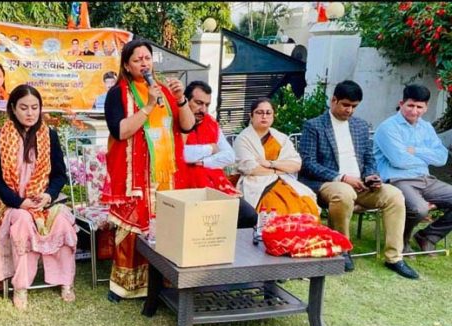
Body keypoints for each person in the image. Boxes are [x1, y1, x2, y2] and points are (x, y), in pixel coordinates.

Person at [102, 39, 195, 301]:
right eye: (137, 60)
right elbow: (120, 131)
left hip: (164, 174)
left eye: (147, 58)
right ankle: (124, 286)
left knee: (164, 226)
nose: (144, 63)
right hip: (133, 174)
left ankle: (162, 280)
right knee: (133, 228)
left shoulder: (164, 90)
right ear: (126, 65)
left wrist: (181, 99)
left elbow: (187, 127)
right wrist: (149, 106)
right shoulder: (118, 93)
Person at [298, 80, 417, 279]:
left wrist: (371, 176)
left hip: (362, 185)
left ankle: (394, 257)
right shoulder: (314, 126)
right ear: (333, 100)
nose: (350, 110)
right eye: (346, 105)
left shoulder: (360, 126)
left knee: (395, 195)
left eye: (354, 106)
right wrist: (342, 177)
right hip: (329, 184)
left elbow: (369, 158)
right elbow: (308, 163)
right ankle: (342, 249)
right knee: (344, 193)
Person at [0, 84, 78, 311]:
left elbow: (59, 175)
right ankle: (21, 286)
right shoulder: (0, 138)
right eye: (24, 108)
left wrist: (48, 195)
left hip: (43, 201)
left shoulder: (49, 136)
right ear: (13, 109)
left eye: (34, 108)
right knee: (23, 222)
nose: (30, 113)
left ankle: (66, 281)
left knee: (63, 221)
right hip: (10, 203)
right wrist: (19, 202)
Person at [373, 84, 452, 255]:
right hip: (397, 180)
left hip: (425, 179)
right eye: (410, 105)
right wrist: (423, 157)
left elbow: (442, 158)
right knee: (419, 208)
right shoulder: (388, 128)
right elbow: (399, 160)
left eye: (419, 107)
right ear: (401, 103)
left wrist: (415, 150)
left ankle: (428, 236)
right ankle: (401, 239)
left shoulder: (426, 128)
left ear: (426, 107)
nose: (414, 111)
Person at [180, 81, 257, 229]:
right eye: (198, 103)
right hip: (185, 184)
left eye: (207, 105)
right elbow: (181, 154)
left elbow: (229, 156)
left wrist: (203, 162)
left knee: (249, 216)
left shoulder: (211, 123)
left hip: (215, 182)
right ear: (185, 100)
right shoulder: (175, 121)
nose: (203, 109)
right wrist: (210, 148)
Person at [234, 97, 319, 219]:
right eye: (259, 112)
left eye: (268, 113)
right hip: (255, 183)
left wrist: (270, 164)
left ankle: (304, 235)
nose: (264, 116)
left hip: (284, 181)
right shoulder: (243, 139)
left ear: (273, 116)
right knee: (277, 208)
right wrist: (280, 169)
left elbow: (296, 164)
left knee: (306, 203)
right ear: (251, 116)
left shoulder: (281, 138)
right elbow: (251, 168)